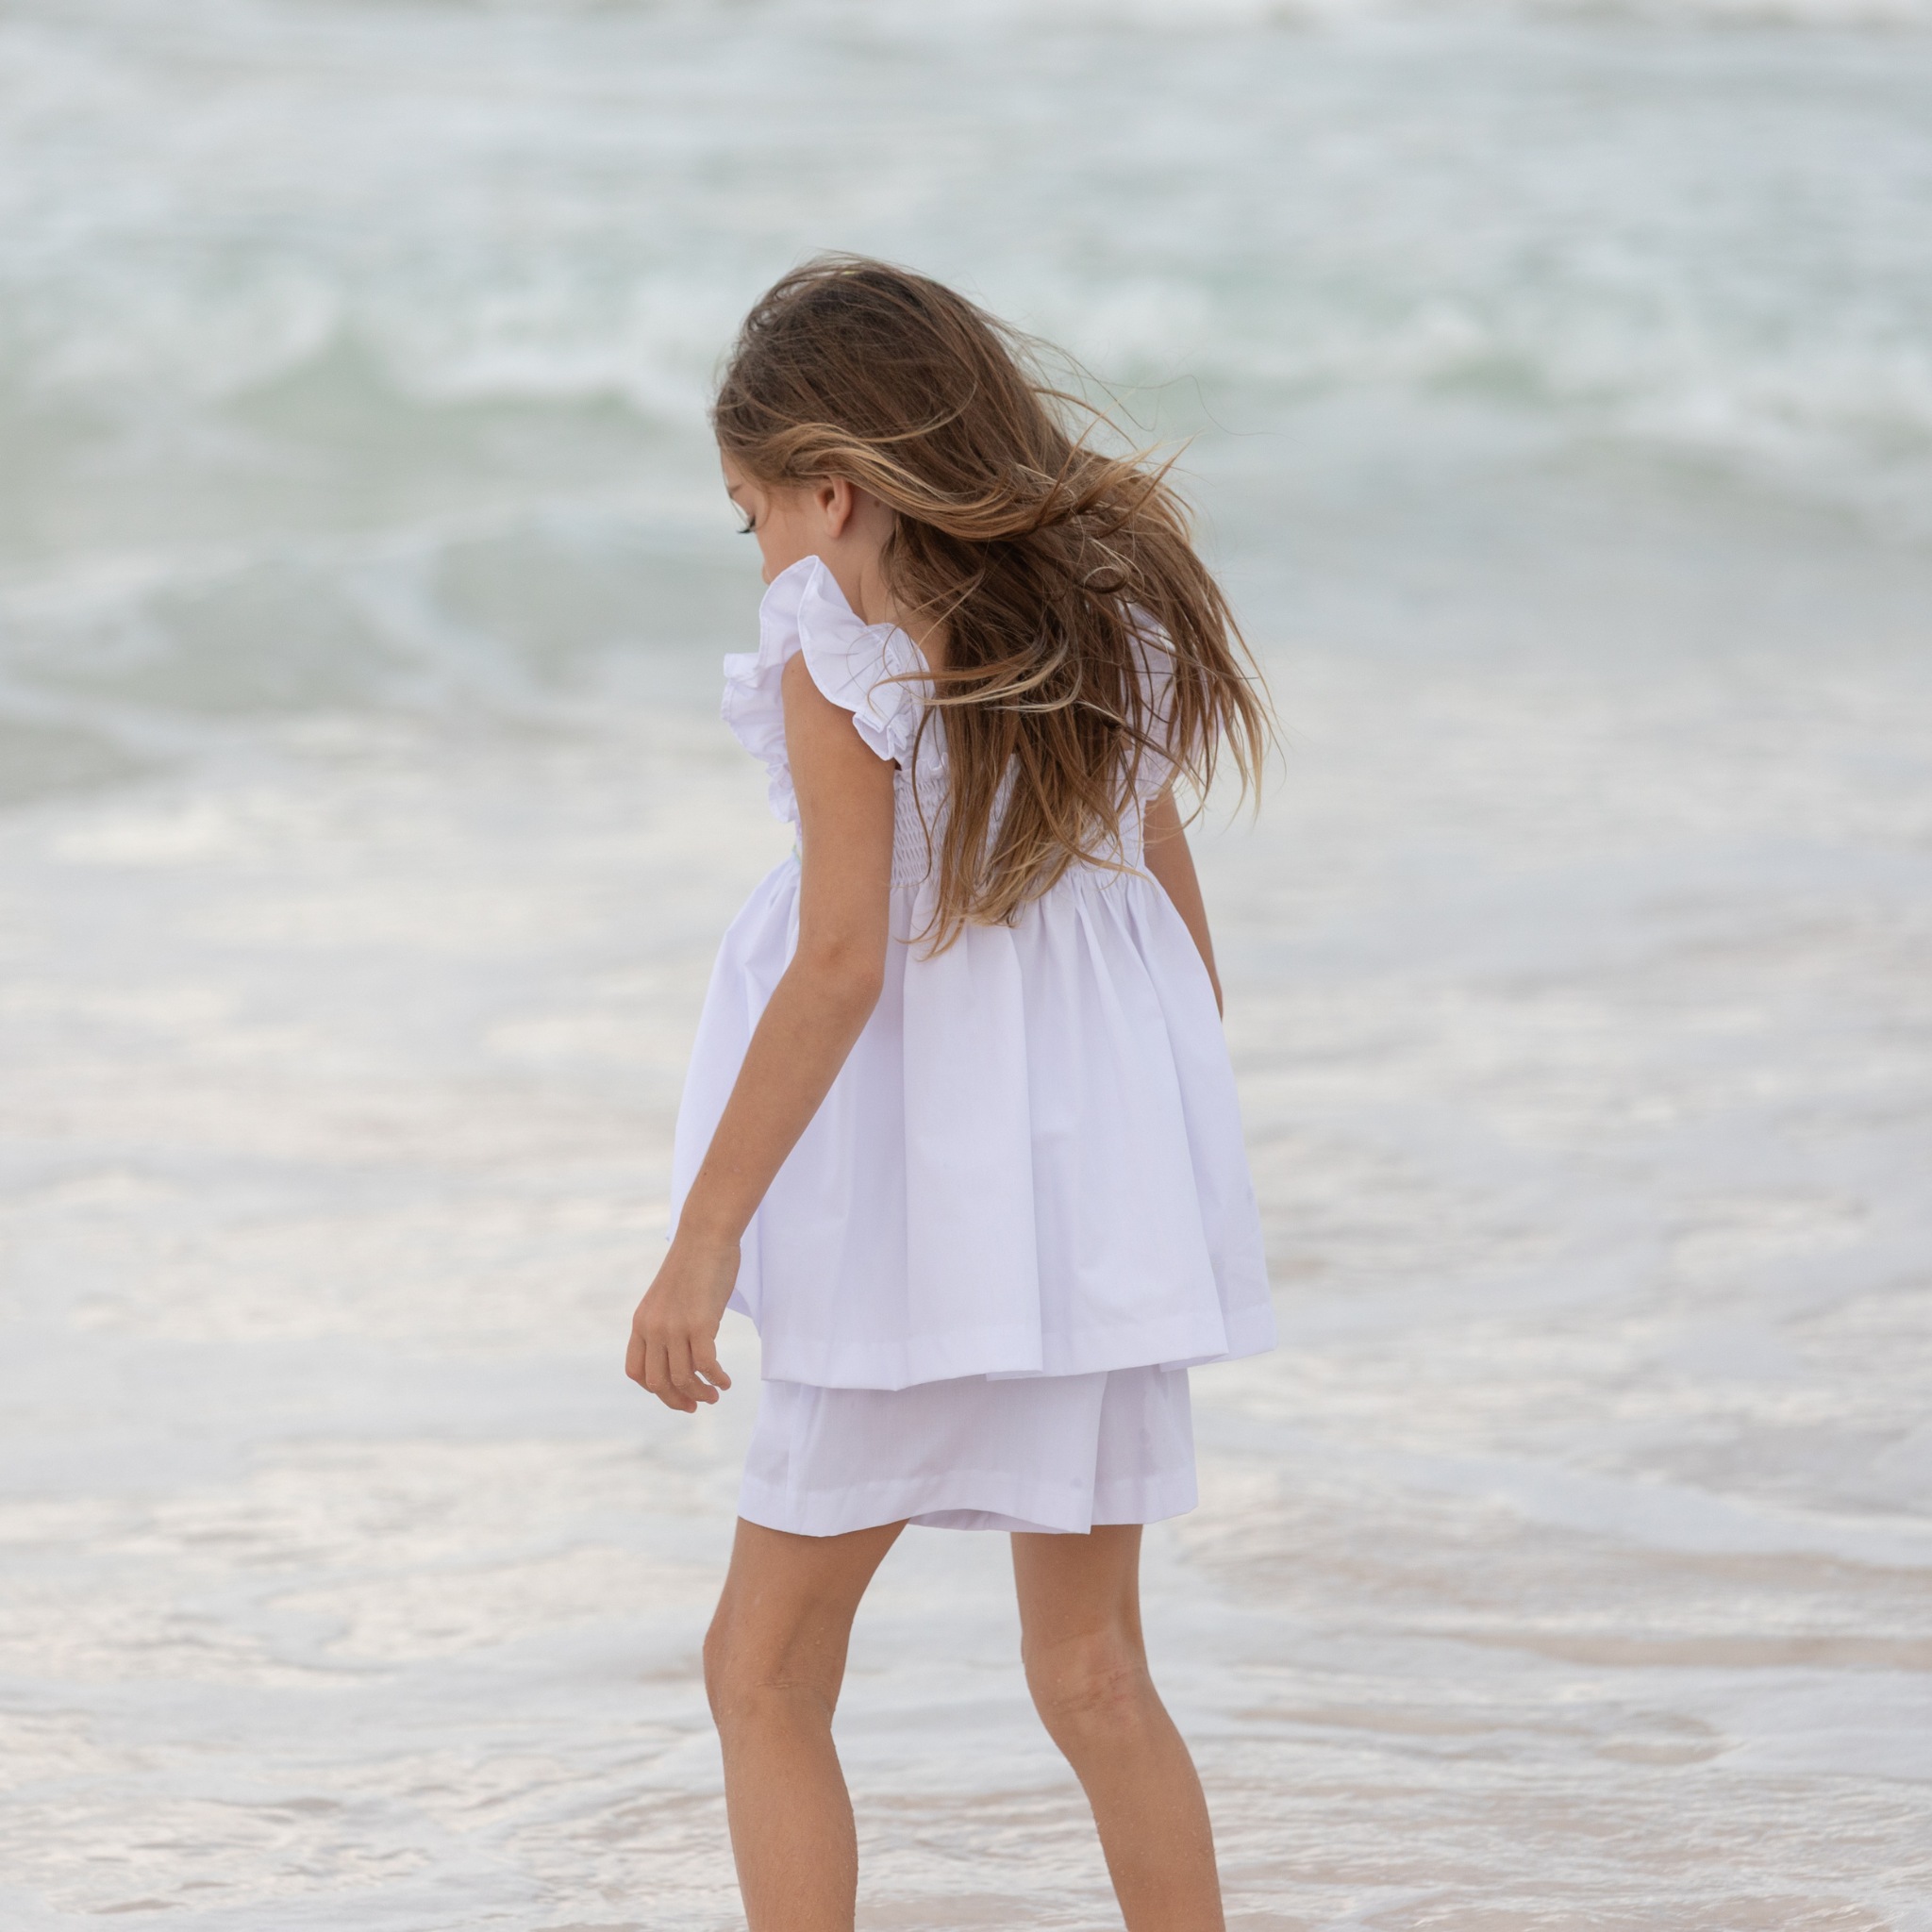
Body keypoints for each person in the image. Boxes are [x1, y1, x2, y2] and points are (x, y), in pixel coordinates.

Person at [625, 257, 1274, 1932]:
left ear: (830, 493)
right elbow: (1173, 938)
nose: (759, 550)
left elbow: (841, 964)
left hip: (917, 1231)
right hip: (1090, 1219)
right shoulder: (1110, 621)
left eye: (749, 512)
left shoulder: (836, 654)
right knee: (1094, 1676)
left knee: (761, 1669)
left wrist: (704, 1242)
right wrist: (1163, 1182)